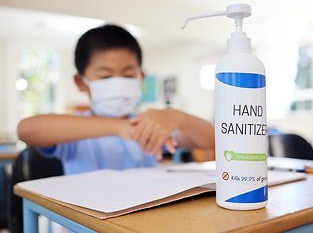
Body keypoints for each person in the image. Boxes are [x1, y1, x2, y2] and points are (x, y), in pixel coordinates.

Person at [17, 24, 215, 175]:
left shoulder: (147, 126)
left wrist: (179, 117)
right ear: (81, 82)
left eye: (128, 76)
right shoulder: (74, 130)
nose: (118, 83)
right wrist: (121, 128)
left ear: (140, 78)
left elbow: (215, 140)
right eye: (105, 77)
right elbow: (27, 130)